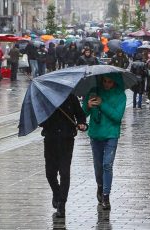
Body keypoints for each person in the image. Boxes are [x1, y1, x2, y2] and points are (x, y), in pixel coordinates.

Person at [82, 74, 127, 210]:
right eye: (105, 81)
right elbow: (82, 114)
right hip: (95, 134)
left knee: (107, 164)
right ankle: (100, 186)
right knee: (98, 165)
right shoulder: (94, 92)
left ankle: (106, 196)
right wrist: (88, 106)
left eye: (110, 82)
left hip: (111, 134)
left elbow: (117, 117)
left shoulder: (120, 95)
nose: (107, 84)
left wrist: (103, 104)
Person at [39, 94, 86, 218]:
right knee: (50, 173)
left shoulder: (71, 97)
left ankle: (62, 204)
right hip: (50, 140)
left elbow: (80, 114)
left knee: (64, 172)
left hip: (67, 140)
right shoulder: (46, 98)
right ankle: (56, 192)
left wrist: (82, 123)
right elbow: (40, 121)